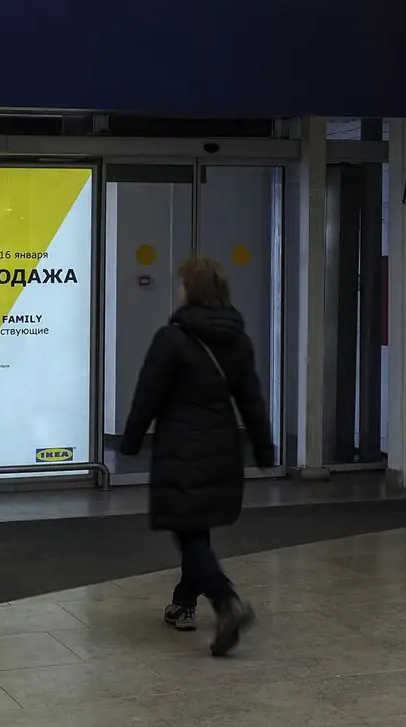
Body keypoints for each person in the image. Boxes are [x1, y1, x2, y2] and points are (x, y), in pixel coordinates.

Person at [119, 255, 277, 657]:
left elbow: (147, 394)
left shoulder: (171, 339)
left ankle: (226, 603)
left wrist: (130, 442)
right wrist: (265, 449)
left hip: (181, 448)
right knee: (196, 528)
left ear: (191, 289)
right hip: (222, 448)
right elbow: (252, 400)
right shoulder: (238, 341)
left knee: (188, 532)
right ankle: (183, 603)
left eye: (182, 283)